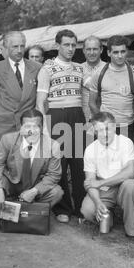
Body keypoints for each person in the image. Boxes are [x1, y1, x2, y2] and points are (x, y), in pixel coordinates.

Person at [0, 109, 63, 235]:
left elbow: (54, 174)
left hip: (34, 185)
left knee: (57, 192)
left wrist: (34, 191)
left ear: (42, 128)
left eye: (36, 126)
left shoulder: (52, 145)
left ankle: (27, 214)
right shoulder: (8, 140)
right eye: (27, 126)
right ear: (20, 127)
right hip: (12, 182)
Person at [36, 29, 85, 223]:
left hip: (77, 114)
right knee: (59, 163)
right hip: (56, 115)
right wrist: (45, 128)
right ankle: (63, 208)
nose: (71, 48)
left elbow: (90, 91)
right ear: (58, 46)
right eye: (66, 44)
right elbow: (40, 102)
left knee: (79, 163)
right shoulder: (47, 69)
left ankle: (81, 208)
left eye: (74, 45)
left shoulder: (80, 68)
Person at [81, 112, 134, 244]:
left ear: (114, 127)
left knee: (131, 185)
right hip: (104, 190)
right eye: (99, 130)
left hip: (123, 186)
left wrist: (101, 182)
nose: (104, 134)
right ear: (94, 131)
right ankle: (107, 214)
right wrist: (98, 202)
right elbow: (90, 182)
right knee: (87, 210)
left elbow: (130, 172)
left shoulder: (126, 142)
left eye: (107, 128)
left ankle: (132, 231)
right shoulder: (90, 150)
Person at [0, 31, 42, 145]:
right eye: (15, 46)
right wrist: (3, 110)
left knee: (28, 160)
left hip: (29, 125)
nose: (20, 50)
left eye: (22, 46)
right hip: (5, 127)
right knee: (5, 160)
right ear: (5, 47)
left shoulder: (37, 68)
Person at [89, 35, 134, 142]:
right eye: (116, 52)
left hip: (128, 126)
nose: (120, 56)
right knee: (103, 157)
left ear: (127, 52)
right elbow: (92, 103)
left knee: (126, 158)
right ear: (108, 53)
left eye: (123, 51)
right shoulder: (98, 74)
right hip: (105, 127)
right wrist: (102, 121)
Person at [81, 36, 106, 122]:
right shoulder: (77, 69)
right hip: (83, 119)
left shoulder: (109, 68)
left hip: (105, 119)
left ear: (101, 50)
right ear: (83, 50)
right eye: (88, 49)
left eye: (95, 49)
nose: (91, 53)